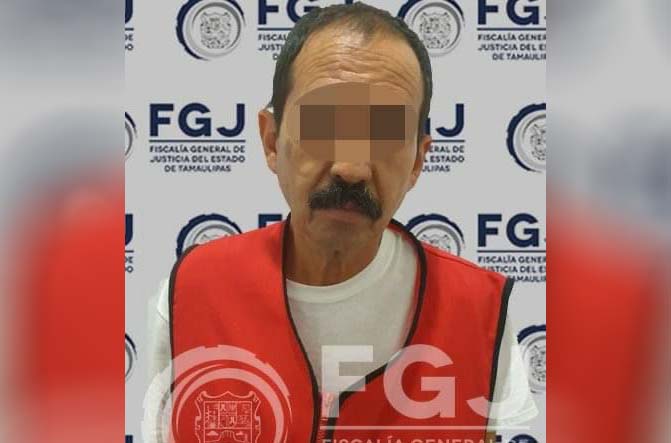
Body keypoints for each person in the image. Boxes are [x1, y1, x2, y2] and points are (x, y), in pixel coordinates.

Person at [146, 3, 537, 442]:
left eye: (385, 133)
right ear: (271, 141)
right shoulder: (191, 294)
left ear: (417, 161)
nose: (351, 168)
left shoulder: (481, 314)